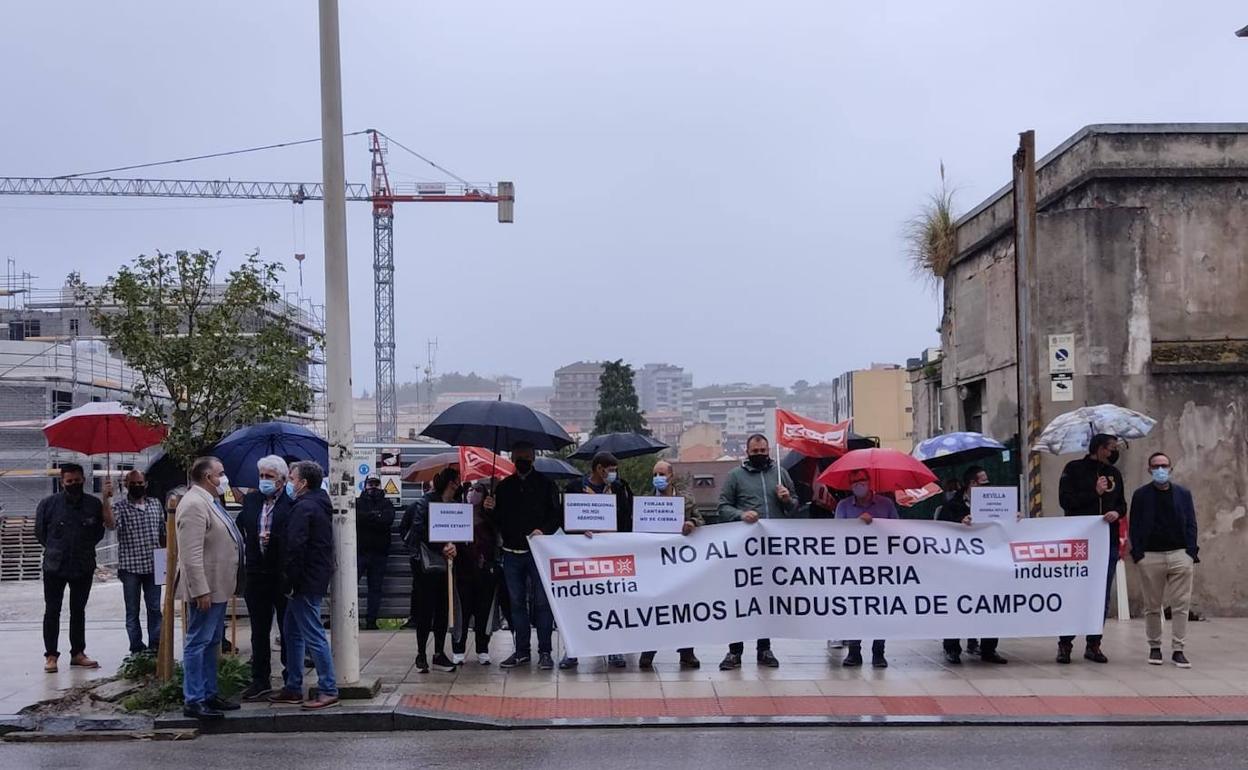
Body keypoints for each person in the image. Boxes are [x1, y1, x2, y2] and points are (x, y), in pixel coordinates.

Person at [717, 434, 800, 671]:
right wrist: (740, 515)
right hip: (743, 550)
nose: (760, 454)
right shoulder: (735, 476)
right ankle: (734, 651)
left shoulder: (780, 474)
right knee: (741, 600)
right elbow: (723, 507)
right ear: (747, 451)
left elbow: (794, 505)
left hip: (771, 550)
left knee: (766, 601)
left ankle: (764, 649)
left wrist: (787, 500)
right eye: (755, 451)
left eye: (763, 450)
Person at [173, 457, 243, 720]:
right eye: (220, 474)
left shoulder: (210, 501)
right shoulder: (193, 504)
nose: (224, 478)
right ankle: (194, 699)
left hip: (219, 586)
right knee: (198, 641)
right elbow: (190, 555)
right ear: (207, 477)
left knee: (212, 641)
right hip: (207, 588)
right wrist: (200, 589)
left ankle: (209, 693)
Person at [483, 441, 561, 671]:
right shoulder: (504, 487)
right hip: (511, 554)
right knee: (516, 604)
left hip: (538, 553)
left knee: (542, 604)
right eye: (517, 457)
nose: (522, 461)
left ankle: (545, 651)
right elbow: (498, 522)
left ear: (533, 458)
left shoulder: (547, 485)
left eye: (525, 457)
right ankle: (522, 651)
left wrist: (543, 530)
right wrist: (490, 509)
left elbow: (557, 515)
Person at [268, 461, 339, 710]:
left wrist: (289, 581)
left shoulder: (304, 508)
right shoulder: (318, 504)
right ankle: (293, 686)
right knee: (292, 632)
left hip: (303, 582)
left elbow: (295, 547)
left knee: (312, 634)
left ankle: (328, 687)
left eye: (291, 479)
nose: (289, 483)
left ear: (303, 483)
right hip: (311, 578)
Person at [559, 451, 634, 670]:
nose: (613, 474)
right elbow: (564, 520)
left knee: (612, 602)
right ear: (599, 468)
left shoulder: (620, 488)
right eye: (610, 470)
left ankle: (613, 649)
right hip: (583, 554)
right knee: (580, 603)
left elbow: (627, 518)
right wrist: (581, 529)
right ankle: (572, 651)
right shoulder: (574, 488)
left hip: (611, 554)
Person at [1056, 433, 1125, 665]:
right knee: (1074, 593)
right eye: (1110, 448)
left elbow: (1121, 504)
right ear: (1098, 448)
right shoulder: (1073, 469)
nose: (1113, 452)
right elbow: (1065, 501)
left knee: (1101, 595)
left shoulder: (1114, 473)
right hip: (1079, 544)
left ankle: (1094, 643)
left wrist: (1117, 512)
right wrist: (1093, 493)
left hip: (1108, 542)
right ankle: (1065, 643)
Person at [35, 463, 111, 673]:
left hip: (83, 564)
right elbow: (40, 533)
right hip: (54, 566)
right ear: (62, 482)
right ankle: (51, 655)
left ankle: (78, 653)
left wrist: (107, 497)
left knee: (78, 611)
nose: (73, 484)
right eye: (69, 482)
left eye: (77, 481)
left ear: (83, 480)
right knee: (52, 611)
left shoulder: (93, 504)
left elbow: (98, 533)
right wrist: (58, 549)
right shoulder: (48, 504)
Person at [1129, 452, 1198, 669]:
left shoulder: (1183, 494)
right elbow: (1135, 525)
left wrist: (1190, 551)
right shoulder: (1141, 495)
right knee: (1152, 606)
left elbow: (1191, 523)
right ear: (1149, 470)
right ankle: (1155, 647)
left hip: (1179, 554)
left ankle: (1178, 649)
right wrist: (1139, 555)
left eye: (1164, 465)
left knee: (1181, 605)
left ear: (1170, 468)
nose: (1160, 469)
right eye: (1156, 466)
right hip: (1151, 556)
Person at [235, 455, 294, 701]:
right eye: (261, 476)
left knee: (288, 629)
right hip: (256, 573)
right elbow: (241, 525)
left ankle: (291, 678)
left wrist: (276, 539)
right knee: (258, 630)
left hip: (280, 574)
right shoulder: (252, 500)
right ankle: (260, 679)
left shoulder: (291, 503)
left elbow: (295, 535)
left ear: (281, 480)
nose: (264, 481)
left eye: (269, 477)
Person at [937, 466, 1007, 665]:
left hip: (988, 564)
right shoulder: (953, 506)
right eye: (983, 482)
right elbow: (941, 530)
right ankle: (952, 648)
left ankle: (989, 648)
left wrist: (1014, 518)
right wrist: (959, 522)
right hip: (960, 567)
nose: (988, 485)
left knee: (990, 604)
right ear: (972, 484)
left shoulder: (996, 502)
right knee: (956, 606)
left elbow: (1004, 524)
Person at [640, 460, 703, 670]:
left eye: (662, 474)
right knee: (654, 607)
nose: (658, 478)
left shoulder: (686, 500)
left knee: (684, 608)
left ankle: (687, 653)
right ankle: (648, 650)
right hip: (655, 563)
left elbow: (700, 520)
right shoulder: (646, 501)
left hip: (680, 563)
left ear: (671, 476)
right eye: (655, 474)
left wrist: (691, 523)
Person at [835, 469, 898, 668]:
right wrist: (856, 525)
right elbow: (834, 534)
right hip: (853, 568)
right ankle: (854, 651)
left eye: (861, 480)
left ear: (869, 482)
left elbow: (897, 531)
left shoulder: (885, 505)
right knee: (854, 609)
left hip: (881, 567)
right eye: (854, 482)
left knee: (880, 609)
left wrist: (875, 525)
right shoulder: (843, 507)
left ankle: (879, 652)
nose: (858, 484)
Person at [399, 468, 459, 674]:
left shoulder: (455, 506)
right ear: (451, 482)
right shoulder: (424, 503)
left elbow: (461, 530)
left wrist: (455, 546)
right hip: (425, 565)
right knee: (426, 610)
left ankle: (439, 653)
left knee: (443, 609)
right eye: (457, 480)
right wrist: (441, 546)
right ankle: (421, 654)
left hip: (446, 565)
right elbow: (416, 530)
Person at [111, 469, 165, 656]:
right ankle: (136, 648)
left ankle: (156, 646)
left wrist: (167, 562)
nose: (137, 486)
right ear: (126, 485)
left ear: (146, 484)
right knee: (132, 610)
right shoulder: (120, 508)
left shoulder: (156, 504)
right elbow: (110, 525)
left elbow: (163, 532)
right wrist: (105, 499)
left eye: (140, 483)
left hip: (153, 566)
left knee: (155, 608)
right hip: (130, 567)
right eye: (132, 483)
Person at [451, 480, 501, 665]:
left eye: (478, 490)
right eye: (470, 489)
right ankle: (458, 648)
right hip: (462, 571)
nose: (473, 492)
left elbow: (499, 537)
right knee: (461, 612)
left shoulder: (490, 516)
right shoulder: (456, 513)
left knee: (484, 611)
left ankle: (483, 648)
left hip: (486, 571)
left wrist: (492, 512)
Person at [356, 473, 397, 631]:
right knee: (351, 586)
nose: (373, 487)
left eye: (376, 484)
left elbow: (388, 519)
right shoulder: (358, 502)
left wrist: (369, 518)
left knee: (376, 588)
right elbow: (357, 518)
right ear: (365, 485)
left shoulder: (386, 503)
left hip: (379, 553)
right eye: (370, 484)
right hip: (360, 552)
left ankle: (371, 620)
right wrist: (375, 516)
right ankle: (349, 617)